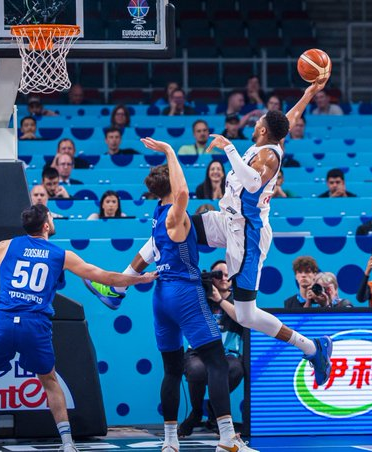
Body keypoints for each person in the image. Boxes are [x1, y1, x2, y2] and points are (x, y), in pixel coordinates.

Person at [88, 79, 335, 387]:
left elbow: (253, 183)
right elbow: (290, 117)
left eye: (258, 121)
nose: (255, 122)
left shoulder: (269, 156)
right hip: (226, 219)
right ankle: (117, 289)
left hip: (247, 235)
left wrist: (229, 148)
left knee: (246, 315)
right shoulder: (271, 139)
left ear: (262, 130)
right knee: (166, 230)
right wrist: (310, 91)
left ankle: (312, 348)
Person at [0, 204, 157, 452]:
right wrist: (140, 279)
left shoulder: (4, 246)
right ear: (46, 225)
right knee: (50, 381)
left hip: (3, 322)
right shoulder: (61, 255)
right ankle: (67, 444)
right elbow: (105, 277)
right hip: (34, 325)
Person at [85, 138, 256, 452]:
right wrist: (169, 151)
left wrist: (123, 283)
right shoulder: (175, 216)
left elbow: (145, 254)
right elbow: (183, 192)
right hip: (184, 293)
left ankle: (170, 441)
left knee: (172, 370)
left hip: (161, 296)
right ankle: (227, 438)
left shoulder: (156, 216)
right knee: (217, 363)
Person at [179, 260, 245, 437]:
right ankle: (196, 412)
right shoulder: (200, 298)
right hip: (199, 351)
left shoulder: (240, 299)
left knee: (235, 369)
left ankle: (214, 410)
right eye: (218, 274)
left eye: (227, 275)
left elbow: (243, 318)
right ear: (211, 278)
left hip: (228, 353)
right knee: (196, 369)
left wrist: (219, 300)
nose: (223, 278)